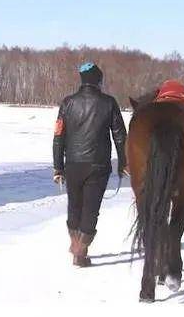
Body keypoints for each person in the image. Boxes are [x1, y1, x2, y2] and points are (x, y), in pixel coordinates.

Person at [52, 62, 127, 267]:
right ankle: (80, 251)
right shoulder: (109, 102)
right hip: (98, 165)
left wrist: (58, 167)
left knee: (74, 207)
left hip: (73, 164)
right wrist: (124, 164)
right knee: (90, 209)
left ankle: (76, 245)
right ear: (98, 81)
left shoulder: (67, 103)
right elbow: (120, 136)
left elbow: (58, 136)